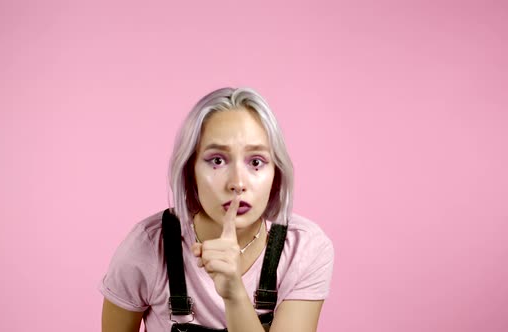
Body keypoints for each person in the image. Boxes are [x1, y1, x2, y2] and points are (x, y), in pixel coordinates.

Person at [100, 87, 334, 332]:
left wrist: (234, 293)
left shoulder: (304, 248)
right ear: (190, 170)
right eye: (217, 160)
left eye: (256, 162)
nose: (237, 183)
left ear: (276, 173)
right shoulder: (147, 246)